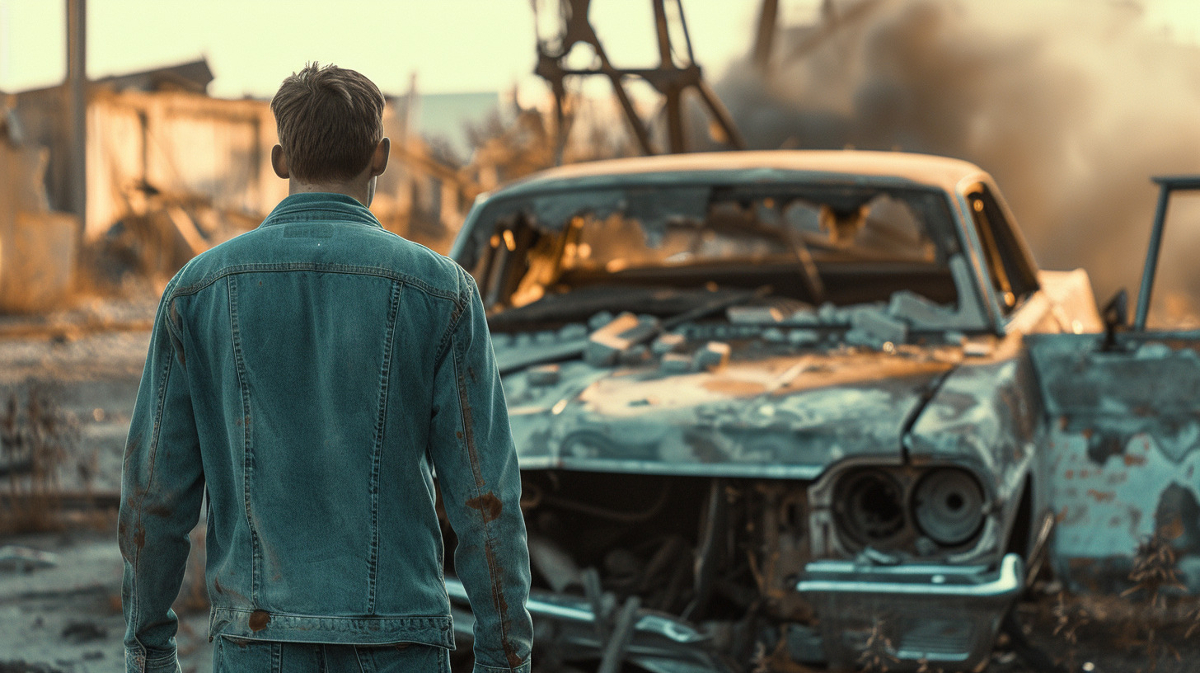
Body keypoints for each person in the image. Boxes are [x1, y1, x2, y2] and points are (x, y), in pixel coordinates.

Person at [118, 62, 532, 673]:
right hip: (401, 639)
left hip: (258, 641)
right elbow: (485, 498)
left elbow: (154, 498)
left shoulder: (197, 291)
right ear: (381, 155)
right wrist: (504, 659)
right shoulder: (442, 292)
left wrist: (148, 650)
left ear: (281, 159)